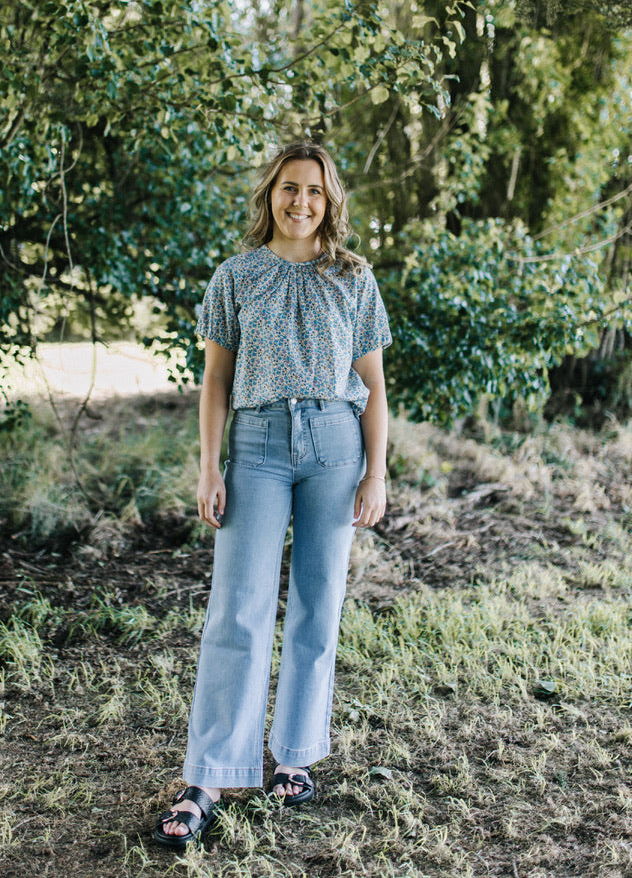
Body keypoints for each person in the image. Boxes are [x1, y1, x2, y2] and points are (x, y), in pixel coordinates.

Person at [153, 142, 391, 848]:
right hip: (255, 445)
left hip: (334, 444)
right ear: (270, 195)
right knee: (238, 607)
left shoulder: (353, 276)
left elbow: (374, 386)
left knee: (318, 605)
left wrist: (375, 471)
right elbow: (216, 381)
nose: (301, 202)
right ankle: (209, 773)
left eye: (314, 191)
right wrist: (208, 465)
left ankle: (292, 757)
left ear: (330, 199)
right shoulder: (236, 275)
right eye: (289, 188)